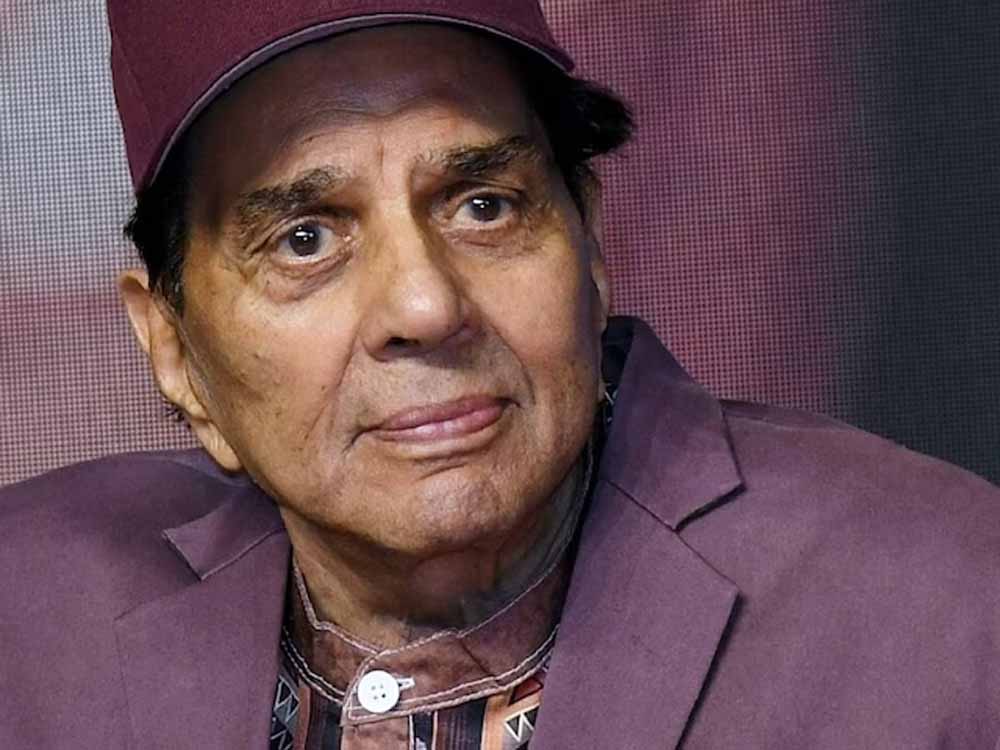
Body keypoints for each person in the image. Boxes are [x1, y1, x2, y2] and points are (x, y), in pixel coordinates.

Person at [2, 1, 999, 748]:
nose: (425, 305)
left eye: (484, 204)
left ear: (588, 246)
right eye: (306, 238)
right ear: (173, 350)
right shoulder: (28, 621)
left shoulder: (942, 609)